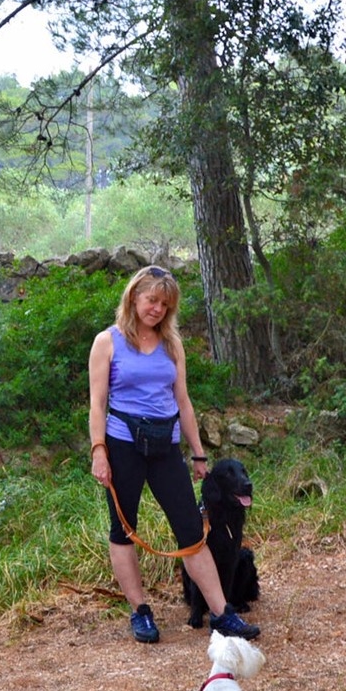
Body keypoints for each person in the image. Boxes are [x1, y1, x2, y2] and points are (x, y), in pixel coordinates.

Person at [87, 265, 260, 643]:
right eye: (152, 300)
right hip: (123, 444)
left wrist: (199, 454)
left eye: (165, 304)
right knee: (123, 530)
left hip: (166, 446)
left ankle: (221, 613)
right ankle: (141, 612)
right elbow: (97, 403)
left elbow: (183, 401)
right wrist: (99, 451)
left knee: (191, 530)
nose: (157, 310)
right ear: (134, 297)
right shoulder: (108, 342)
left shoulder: (171, 344)